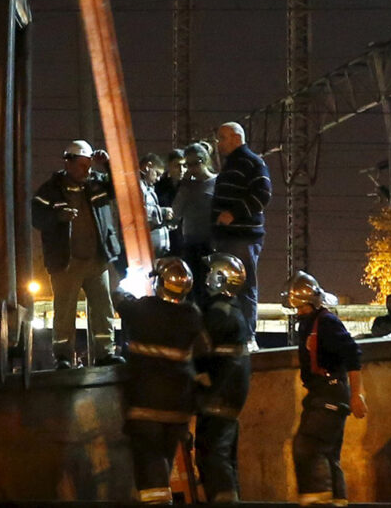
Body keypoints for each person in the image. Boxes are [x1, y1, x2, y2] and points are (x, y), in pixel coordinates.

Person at [115, 257, 210, 504]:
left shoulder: (144, 308)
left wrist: (125, 284)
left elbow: (120, 301)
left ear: (159, 282)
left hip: (145, 405)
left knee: (149, 466)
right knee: (163, 462)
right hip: (179, 408)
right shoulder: (192, 314)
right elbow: (203, 349)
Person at [31, 140, 123, 369]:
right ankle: (63, 356)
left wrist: (108, 165)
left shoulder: (97, 183)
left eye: (89, 165)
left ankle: (105, 353)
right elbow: (37, 218)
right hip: (66, 263)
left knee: (103, 308)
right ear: (68, 162)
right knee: (64, 311)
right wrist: (58, 217)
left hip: (96, 260)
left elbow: (121, 189)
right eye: (81, 165)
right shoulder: (50, 189)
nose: (86, 170)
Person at [282, 271, 367, 507]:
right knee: (329, 454)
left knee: (307, 446)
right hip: (323, 392)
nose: (298, 312)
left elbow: (353, 354)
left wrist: (356, 395)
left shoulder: (326, 323)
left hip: (329, 392)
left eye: (301, 307)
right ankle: (337, 500)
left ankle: (317, 500)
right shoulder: (311, 324)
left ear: (313, 302)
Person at [193, 252, 251, 504]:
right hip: (228, 393)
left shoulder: (218, 313)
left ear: (220, 278)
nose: (206, 277)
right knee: (224, 456)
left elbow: (198, 348)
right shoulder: (234, 311)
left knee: (212, 454)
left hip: (218, 393)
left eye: (210, 272)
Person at [210, 121, 272, 338]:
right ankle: (230, 334)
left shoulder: (252, 163)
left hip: (243, 236)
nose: (218, 144)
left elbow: (262, 194)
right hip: (227, 237)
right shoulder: (231, 164)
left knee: (243, 285)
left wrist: (233, 214)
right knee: (225, 286)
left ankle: (246, 335)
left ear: (237, 137)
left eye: (222, 138)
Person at [171, 143, 217, 303]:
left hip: (211, 243)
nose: (191, 168)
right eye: (188, 165)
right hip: (190, 243)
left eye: (194, 163)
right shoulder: (187, 186)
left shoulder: (216, 183)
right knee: (192, 288)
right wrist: (183, 187)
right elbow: (176, 213)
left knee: (210, 288)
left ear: (204, 161)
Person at [140, 153, 174, 257]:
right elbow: (140, 211)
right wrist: (163, 212)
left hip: (155, 253)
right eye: (157, 174)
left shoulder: (148, 187)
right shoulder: (137, 186)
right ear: (148, 166)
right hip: (145, 253)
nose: (158, 179)